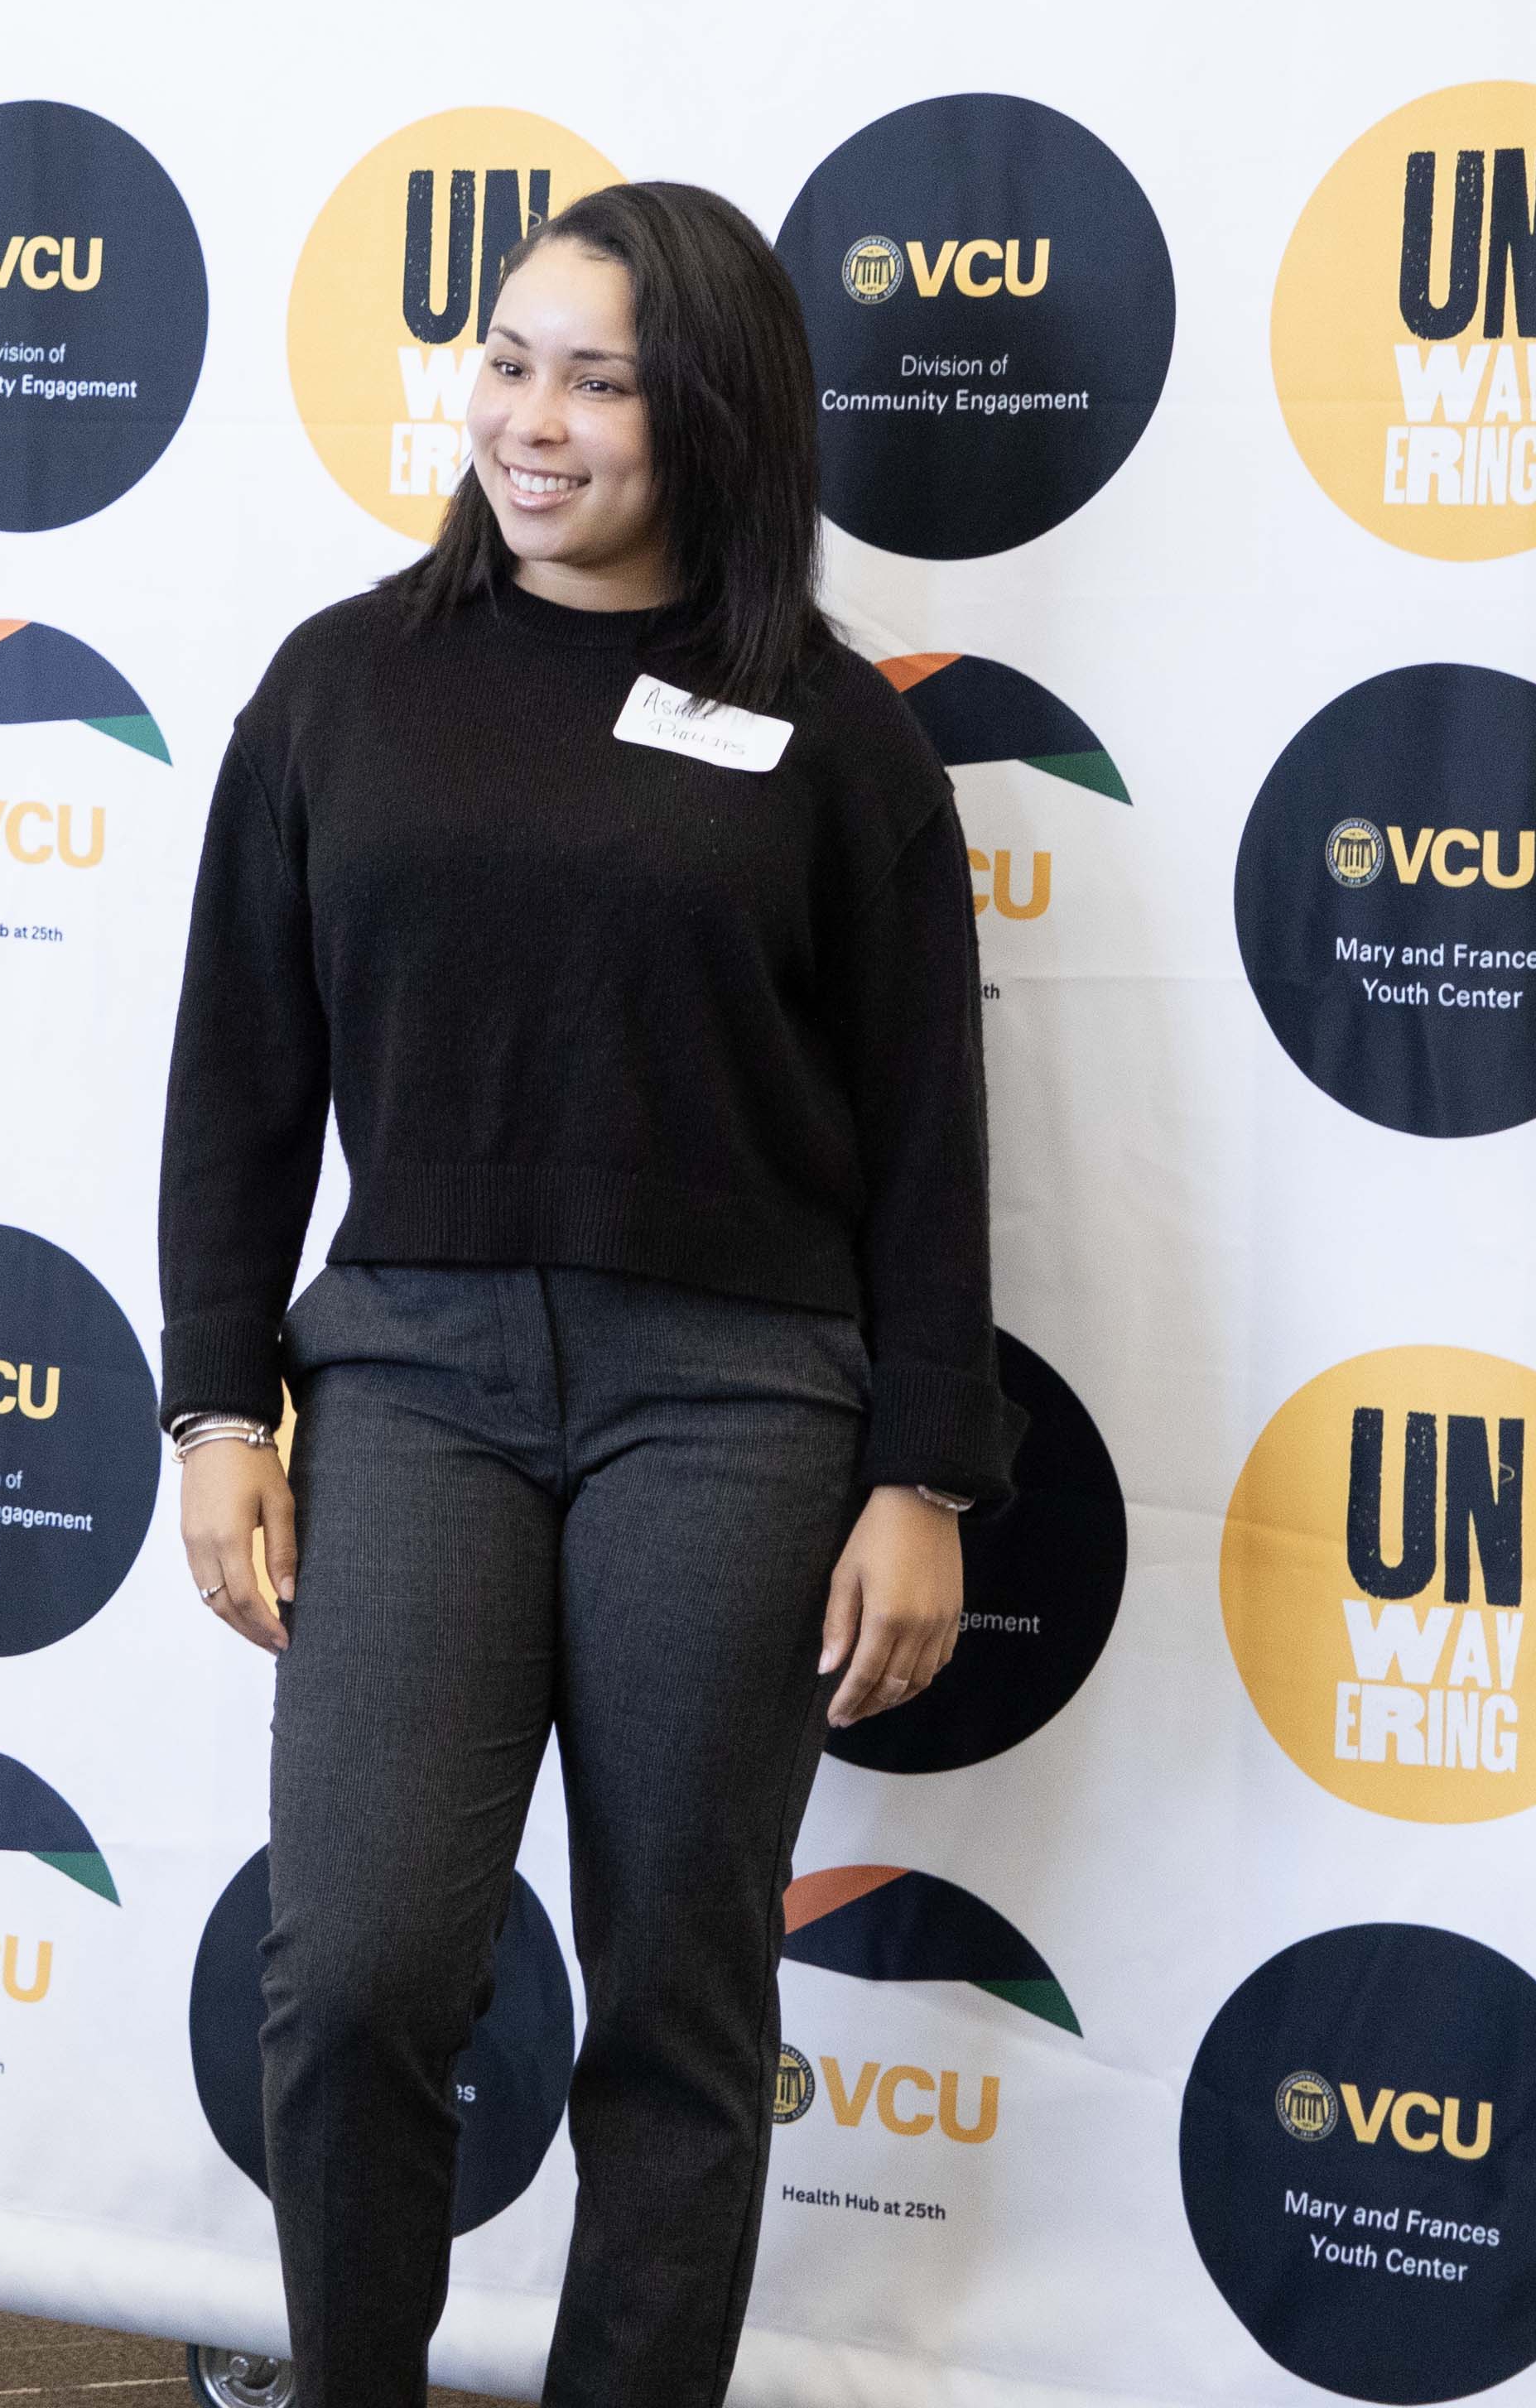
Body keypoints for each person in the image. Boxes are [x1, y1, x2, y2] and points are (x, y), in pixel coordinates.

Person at [156, 178, 1018, 2406]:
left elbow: (929, 1131)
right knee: (355, 1967)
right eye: (509, 358)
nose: (527, 420)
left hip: (734, 1402)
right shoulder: (347, 684)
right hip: (418, 1376)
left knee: (678, 2006)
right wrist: (218, 1407)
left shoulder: (830, 736)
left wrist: (923, 1469)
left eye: (596, 379)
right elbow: (241, 1076)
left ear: (711, 413)